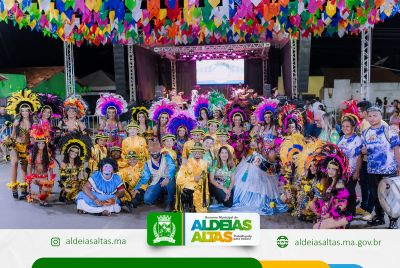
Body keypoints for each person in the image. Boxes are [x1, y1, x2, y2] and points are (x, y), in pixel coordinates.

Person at [361, 106, 400, 229]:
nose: (372, 118)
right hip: (372, 170)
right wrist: (363, 151)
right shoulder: (365, 133)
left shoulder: (389, 131)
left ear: (381, 117)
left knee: (390, 196)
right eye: (370, 116)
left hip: (389, 170)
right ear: (367, 117)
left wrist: (399, 165)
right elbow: (363, 150)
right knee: (376, 195)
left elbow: (396, 149)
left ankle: (393, 220)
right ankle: (379, 217)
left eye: (375, 115)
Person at [233, 136, 288, 215]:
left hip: (263, 175)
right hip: (250, 171)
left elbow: (272, 167)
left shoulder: (273, 152)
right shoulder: (259, 149)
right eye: (266, 140)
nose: (267, 142)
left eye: (270, 140)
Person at [6, 89, 40, 200]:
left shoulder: (33, 123)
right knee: (14, 163)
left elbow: (35, 137)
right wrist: (7, 142)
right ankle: (14, 187)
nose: (25, 112)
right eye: (23, 111)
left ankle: (24, 189)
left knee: (24, 168)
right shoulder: (17, 122)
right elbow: (13, 135)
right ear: (20, 112)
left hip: (26, 147)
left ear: (30, 111)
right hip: (15, 145)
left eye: (27, 110)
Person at [133, 139, 176, 212]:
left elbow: (172, 167)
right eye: (152, 152)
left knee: (170, 183)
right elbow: (145, 177)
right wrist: (137, 187)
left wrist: (168, 178)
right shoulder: (148, 163)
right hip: (156, 182)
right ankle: (161, 196)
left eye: (156, 151)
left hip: (168, 180)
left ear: (160, 150)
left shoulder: (166, 157)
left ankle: (169, 201)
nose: (154, 153)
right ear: (150, 152)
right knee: (147, 200)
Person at [313, 159, 352, 229]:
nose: (330, 171)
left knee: (316, 228)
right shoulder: (330, 182)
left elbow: (342, 206)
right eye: (329, 168)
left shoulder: (339, 185)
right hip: (331, 213)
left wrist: (329, 214)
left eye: (333, 169)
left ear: (338, 172)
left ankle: (342, 225)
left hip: (339, 215)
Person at [337, 115, 362, 216]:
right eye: (343, 126)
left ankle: (351, 212)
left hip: (351, 171)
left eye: (347, 126)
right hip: (341, 171)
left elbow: (359, 157)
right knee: (343, 191)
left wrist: (357, 171)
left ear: (353, 127)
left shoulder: (357, 139)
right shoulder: (341, 138)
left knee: (351, 192)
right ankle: (346, 210)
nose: (344, 128)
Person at [58, 133, 92, 203]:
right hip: (67, 185)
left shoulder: (79, 164)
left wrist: (84, 178)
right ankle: (64, 193)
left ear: (78, 154)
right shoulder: (63, 164)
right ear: (68, 151)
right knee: (77, 194)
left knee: (86, 189)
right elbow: (63, 179)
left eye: (76, 152)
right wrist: (71, 184)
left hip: (76, 184)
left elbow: (82, 177)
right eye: (72, 151)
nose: (74, 153)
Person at [26, 125, 55, 206]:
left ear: (45, 144)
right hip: (36, 177)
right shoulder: (32, 154)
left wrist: (52, 179)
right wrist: (29, 177)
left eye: (43, 143)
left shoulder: (48, 154)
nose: (41, 145)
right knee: (45, 189)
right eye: (39, 143)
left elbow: (50, 168)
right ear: (36, 144)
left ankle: (36, 196)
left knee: (46, 189)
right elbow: (29, 166)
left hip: (44, 177)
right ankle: (41, 200)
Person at [175, 142, 209, 212]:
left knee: (202, 210)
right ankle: (186, 206)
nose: (197, 152)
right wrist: (193, 178)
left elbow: (205, 181)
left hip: (200, 188)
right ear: (192, 152)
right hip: (188, 186)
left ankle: (193, 206)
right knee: (188, 189)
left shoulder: (204, 163)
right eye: (195, 151)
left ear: (202, 153)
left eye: (199, 151)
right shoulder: (186, 163)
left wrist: (206, 194)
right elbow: (179, 180)